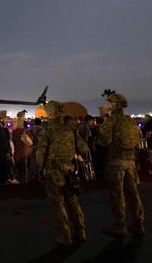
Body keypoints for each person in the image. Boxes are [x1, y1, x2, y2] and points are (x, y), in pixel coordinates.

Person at [36, 101, 89, 246]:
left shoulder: (47, 131)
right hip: (70, 171)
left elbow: (40, 155)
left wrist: (39, 171)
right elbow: (84, 148)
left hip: (53, 172)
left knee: (58, 204)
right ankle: (81, 232)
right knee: (73, 202)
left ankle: (65, 236)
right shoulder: (70, 129)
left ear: (50, 114)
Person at [98, 93, 145, 236]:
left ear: (114, 105)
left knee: (117, 194)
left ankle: (120, 225)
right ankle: (139, 223)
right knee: (133, 194)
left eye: (109, 102)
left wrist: (104, 118)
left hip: (115, 162)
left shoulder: (111, 121)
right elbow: (137, 139)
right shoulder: (129, 120)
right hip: (130, 162)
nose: (106, 105)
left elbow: (104, 141)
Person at [11, 113, 32, 183]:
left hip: (16, 154)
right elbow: (31, 142)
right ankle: (24, 187)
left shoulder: (14, 132)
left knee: (18, 172)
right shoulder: (25, 131)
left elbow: (12, 142)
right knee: (24, 172)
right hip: (24, 154)